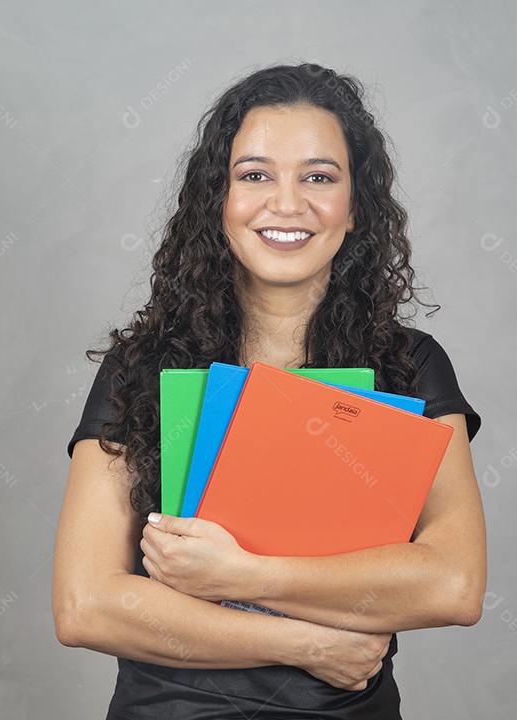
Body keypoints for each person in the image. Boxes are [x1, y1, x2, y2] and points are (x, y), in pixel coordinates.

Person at [53, 62, 486, 719]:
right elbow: (85, 604)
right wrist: (305, 643)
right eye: (255, 175)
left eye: (319, 177)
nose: (287, 204)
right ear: (217, 201)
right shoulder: (138, 369)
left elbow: (453, 584)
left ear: (354, 207)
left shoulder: (408, 365)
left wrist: (241, 577)